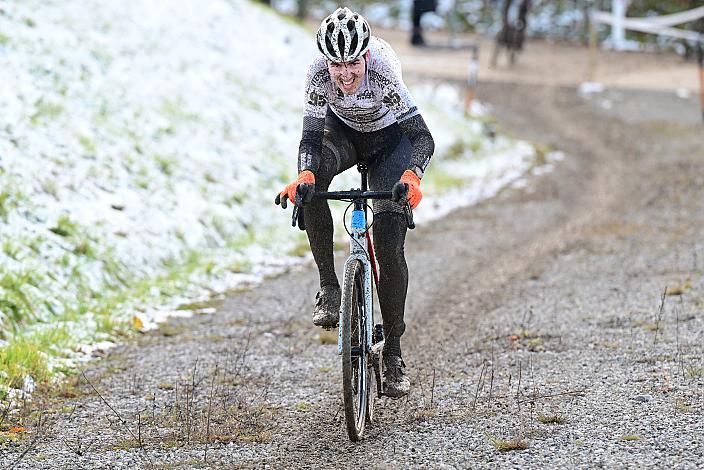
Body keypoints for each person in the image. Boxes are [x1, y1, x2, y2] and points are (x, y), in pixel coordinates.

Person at [275, 7, 434, 398]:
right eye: (337, 66)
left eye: (353, 65)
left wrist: (412, 175)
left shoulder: (383, 70)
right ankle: (330, 288)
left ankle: (393, 350)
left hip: (390, 144)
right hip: (342, 136)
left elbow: (422, 138)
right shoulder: (317, 74)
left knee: (388, 237)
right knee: (311, 185)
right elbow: (310, 140)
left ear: (366, 56)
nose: (345, 75)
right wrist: (304, 173)